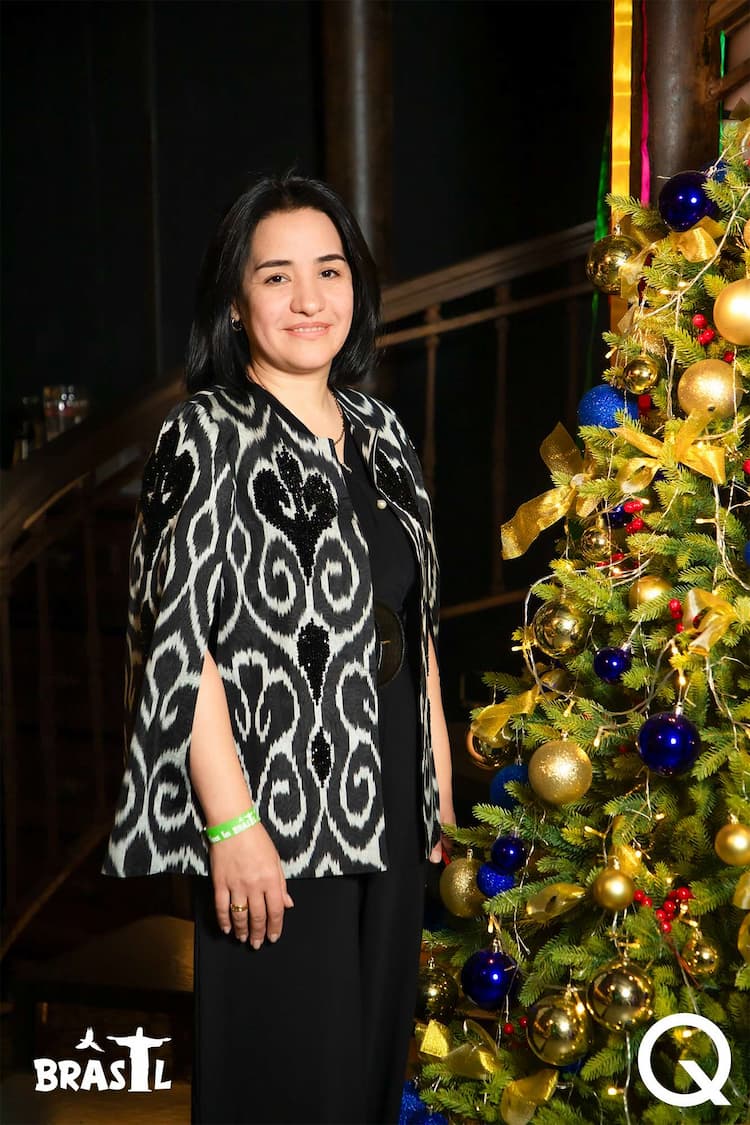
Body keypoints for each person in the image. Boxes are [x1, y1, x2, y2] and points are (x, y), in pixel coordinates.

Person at [103, 174, 455, 1125]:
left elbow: (414, 622)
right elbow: (178, 649)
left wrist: (435, 783)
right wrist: (231, 826)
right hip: (277, 814)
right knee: (289, 1087)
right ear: (234, 302)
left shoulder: (380, 431)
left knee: (367, 1081)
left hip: (391, 798)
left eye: (329, 271)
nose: (309, 299)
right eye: (276, 276)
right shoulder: (204, 436)